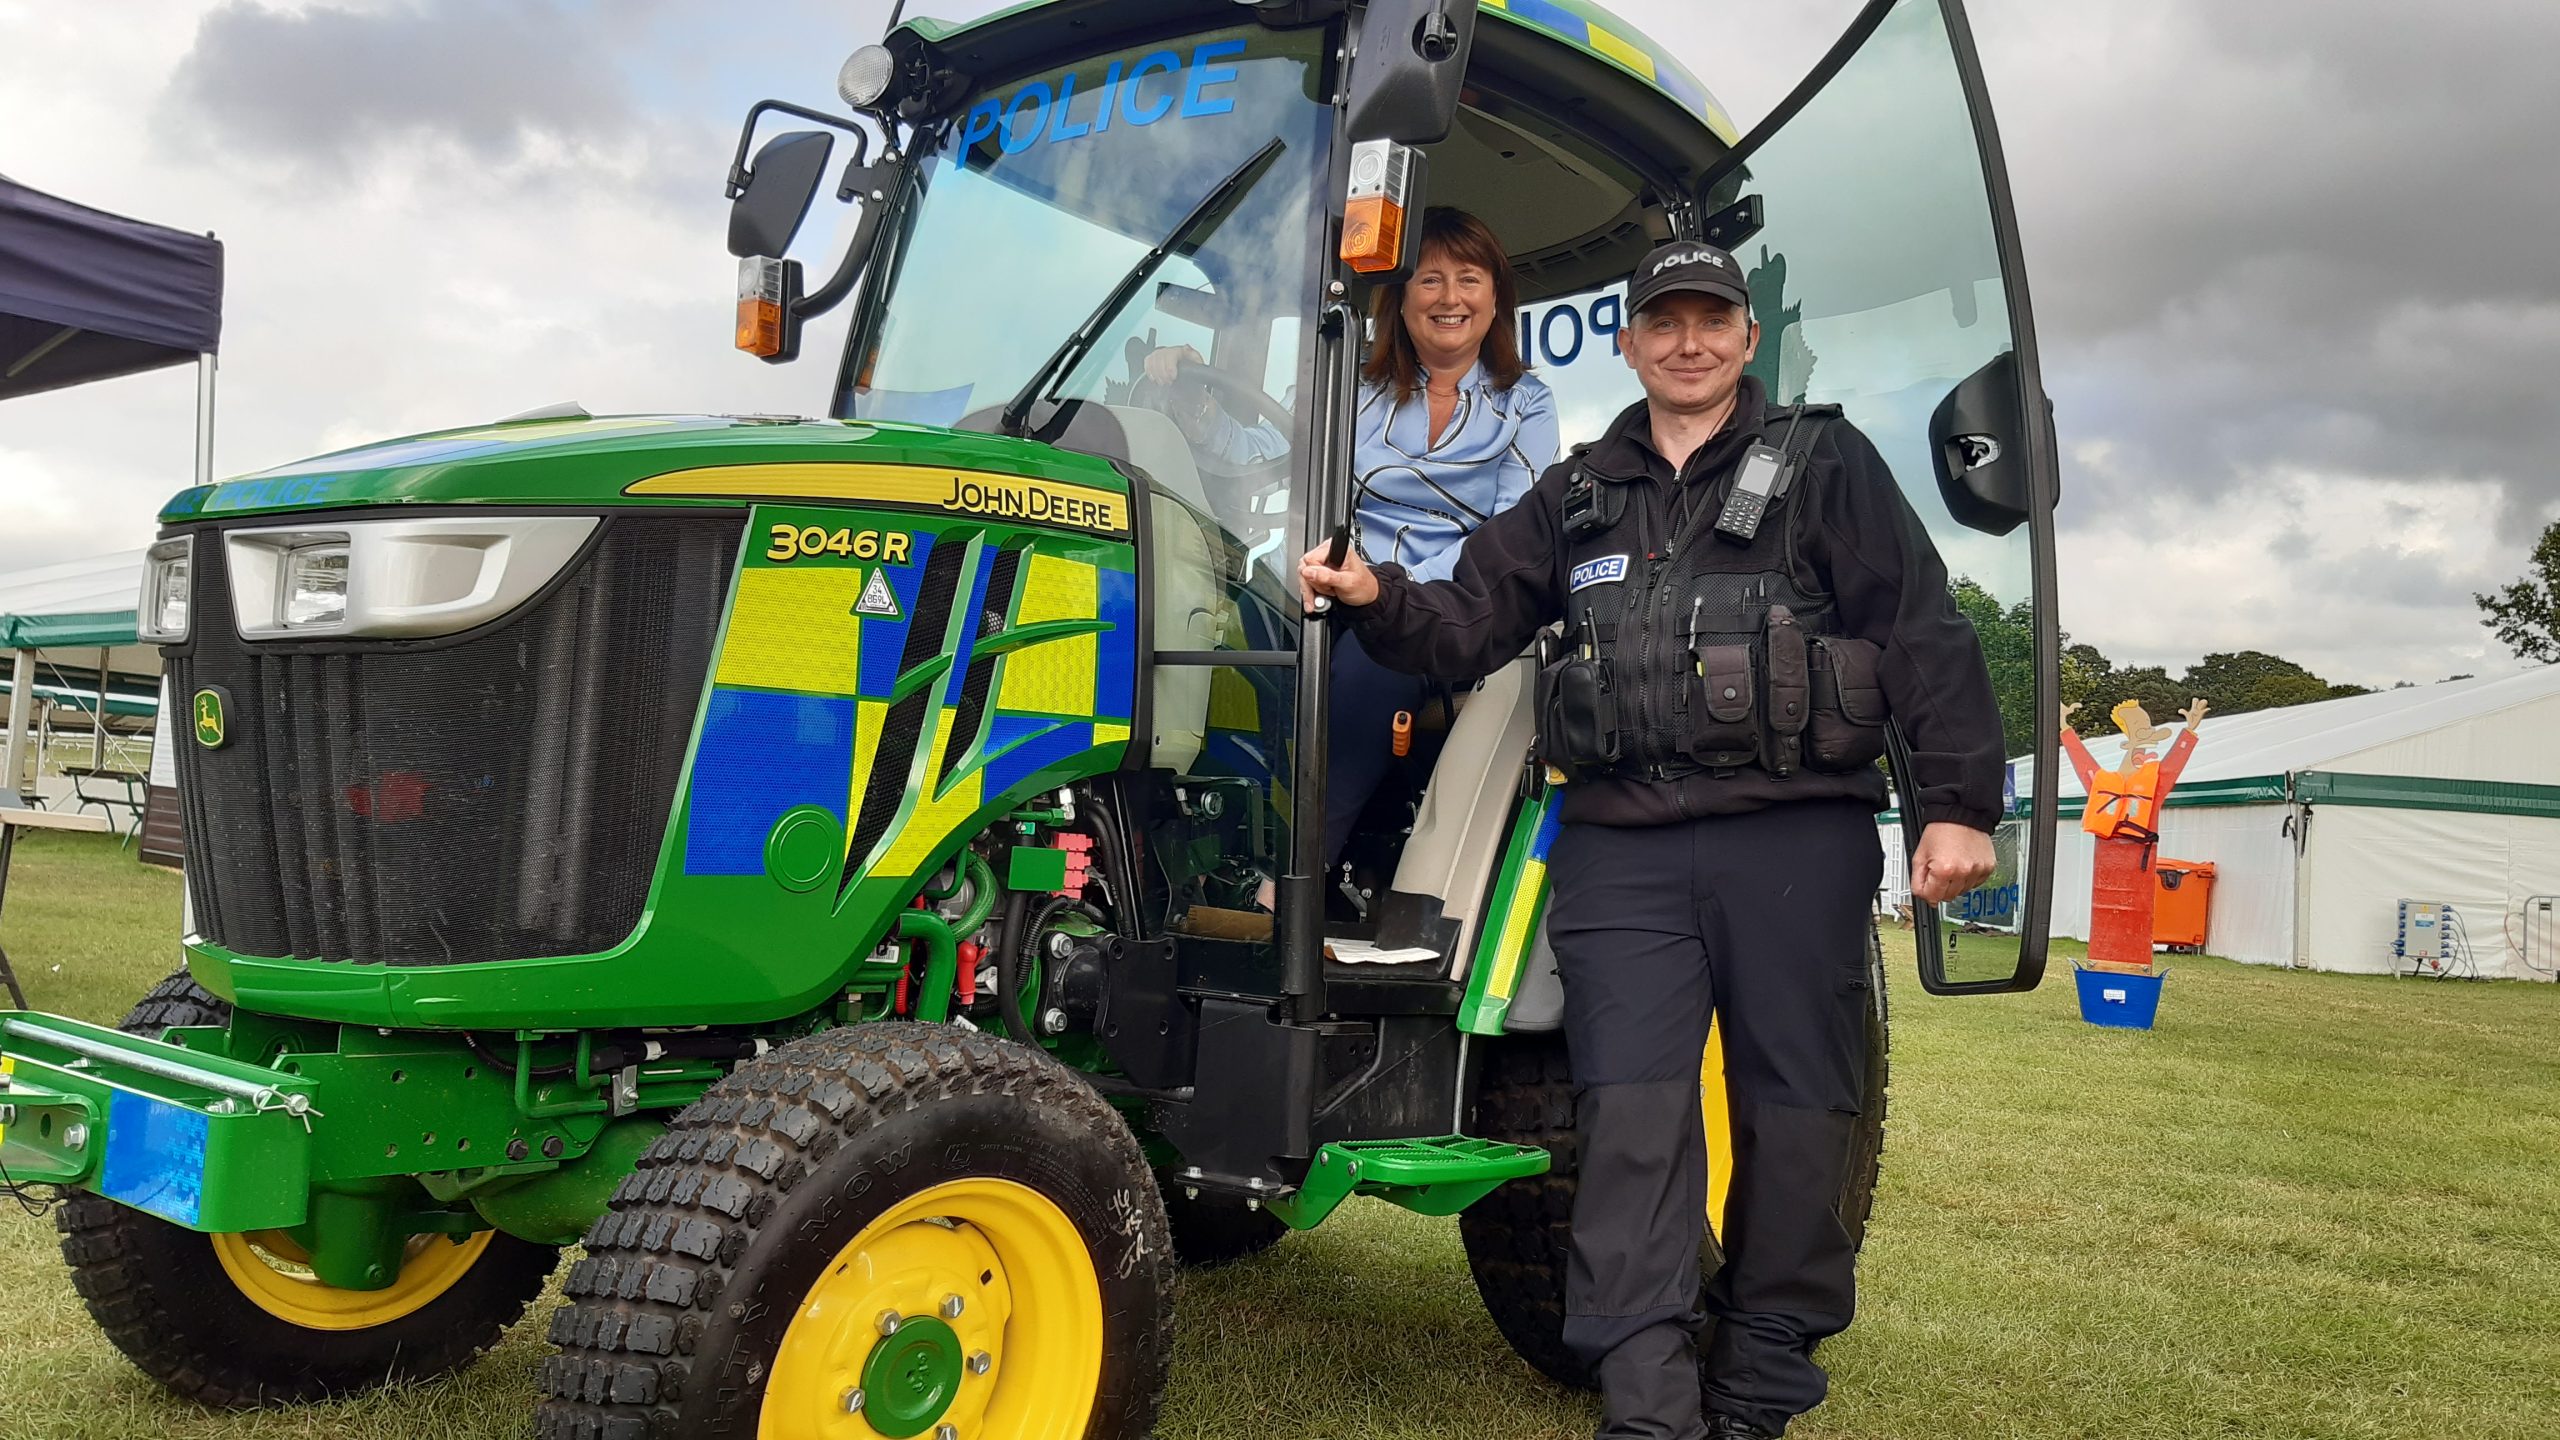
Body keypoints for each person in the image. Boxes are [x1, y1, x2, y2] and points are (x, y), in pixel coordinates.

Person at [1300, 239, 2003, 1440]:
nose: (1688, 342)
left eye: (1710, 320)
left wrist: (1957, 804)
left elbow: (1918, 629)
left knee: (1797, 1110)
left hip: (1793, 838)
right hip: (1620, 845)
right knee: (1629, 1124)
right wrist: (1379, 600)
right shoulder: (1574, 491)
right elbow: (1470, 623)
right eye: (1662, 322)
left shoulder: (1823, 463)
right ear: (1627, 342)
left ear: (1743, 337)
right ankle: (1648, 1405)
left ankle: (1761, 1380)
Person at [1152, 206, 1555, 869]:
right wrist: (1197, 406)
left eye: (1469, 278)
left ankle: (1291, 883)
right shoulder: (1354, 389)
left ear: (1496, 297)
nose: (1449, 297)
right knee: (1224, 623)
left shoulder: (1526, 402)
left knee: (1372, 662)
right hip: (1337, 586)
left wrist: (1389, 589)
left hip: (1452, 607)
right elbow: (1264, 449)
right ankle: (1191, 850)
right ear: (1397, 300)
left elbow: (1511, 527)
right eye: (1429, 280)